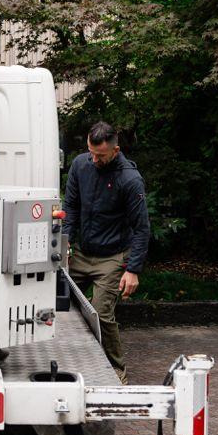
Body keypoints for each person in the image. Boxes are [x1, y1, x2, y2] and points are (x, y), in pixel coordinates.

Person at [62, 121, 150, 384]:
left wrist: (133, 269)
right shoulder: (80, 165)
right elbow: (72, 206)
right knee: (56, 302)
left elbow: (142, 228)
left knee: (100, 313)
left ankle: (116, 369)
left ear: (115, 150)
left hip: (112, 258)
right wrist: (65, 240)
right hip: (80, 252)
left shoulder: (129, 180)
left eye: (100, 155)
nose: (94, 159)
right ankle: (70, 360)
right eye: (91, 152)